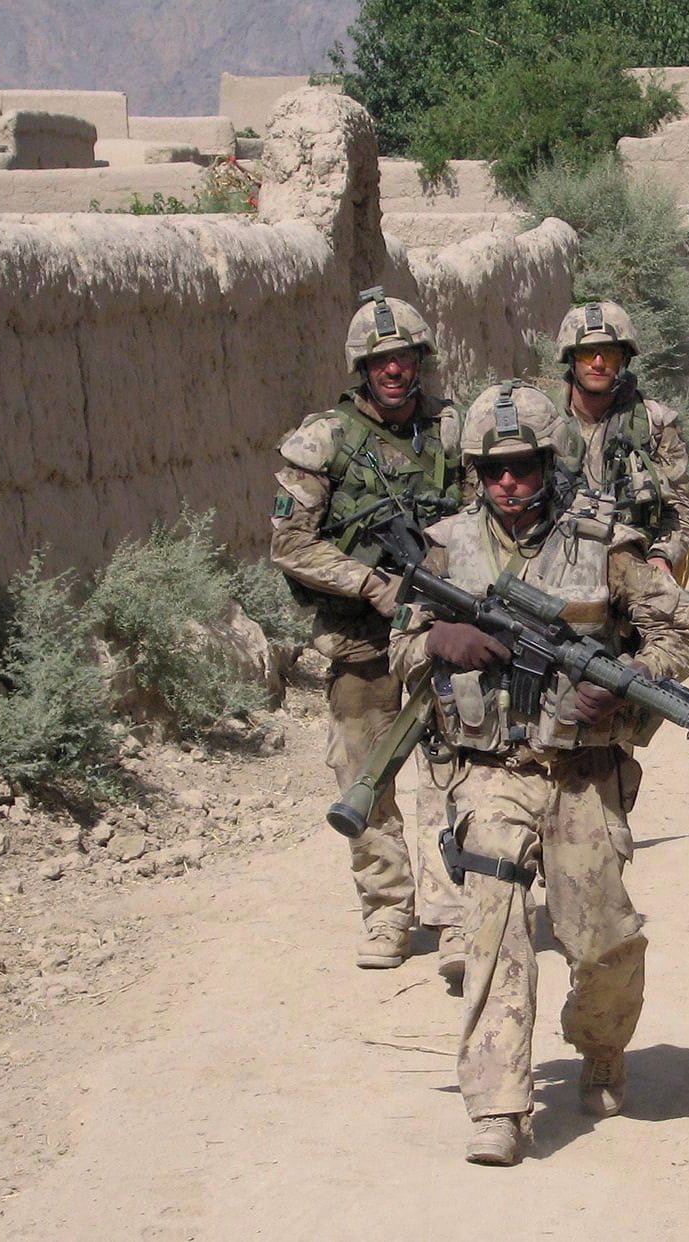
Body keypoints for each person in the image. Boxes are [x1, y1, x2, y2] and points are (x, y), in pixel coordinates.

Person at [389, 381, 689, 1166]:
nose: (508, 483)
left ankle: (600, 1044)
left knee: (603, 943)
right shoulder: (445, 545)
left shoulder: (604, 544)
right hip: (488, 769)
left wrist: (629, 679)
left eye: (523, 466)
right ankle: (498, 1104)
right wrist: (436, 643)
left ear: (547, 463)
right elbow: (399, 647)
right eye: (492, 470)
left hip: (582, 772)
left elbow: (680, 629)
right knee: (492, 925)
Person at [270, 290, 466, 980]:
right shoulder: (324, 440)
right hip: (361, 638)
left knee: (451, 768)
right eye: (380, 361)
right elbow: (290, 544)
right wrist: (369, 583)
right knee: (364, 775)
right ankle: (387, 911)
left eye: (403, 357)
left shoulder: (452, 431)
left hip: (441, 630)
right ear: (362, 367)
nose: (392, 370)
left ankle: (453, 912)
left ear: (419, 360)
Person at [555, 301, 689, 580]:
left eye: (608, 354)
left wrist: (662, 555)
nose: (598, 363)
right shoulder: (543, 423)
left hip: (635, 564)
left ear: (624, 359)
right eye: (587, 353)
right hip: (559, 566)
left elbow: (681, 510)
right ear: (571, 358)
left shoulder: (655, 424)